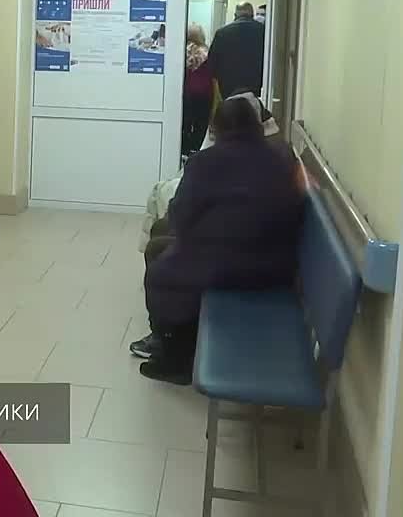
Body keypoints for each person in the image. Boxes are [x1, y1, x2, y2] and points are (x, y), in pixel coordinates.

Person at [130, 96, 305, 385]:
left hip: (229, 269)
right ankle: (174, 340)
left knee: (160, 268)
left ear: (216, 129)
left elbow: (180, 216)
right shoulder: (281, 160)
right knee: (165, 248)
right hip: (277, 269)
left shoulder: (205, 162)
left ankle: (175, 358)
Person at [207, 1, 267, 97]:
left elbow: (212, 64)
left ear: (235, 15)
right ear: (252, 15)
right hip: (255, 87)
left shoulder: (222, 33)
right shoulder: (264, 32)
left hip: (229, 88)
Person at [181, 23, 214, 155]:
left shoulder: (182, 50)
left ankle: (184, 149)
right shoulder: (207, 51)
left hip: (187, 91)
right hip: (205, 92)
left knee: (185, 122)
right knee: (201, 123)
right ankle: (196, 149)